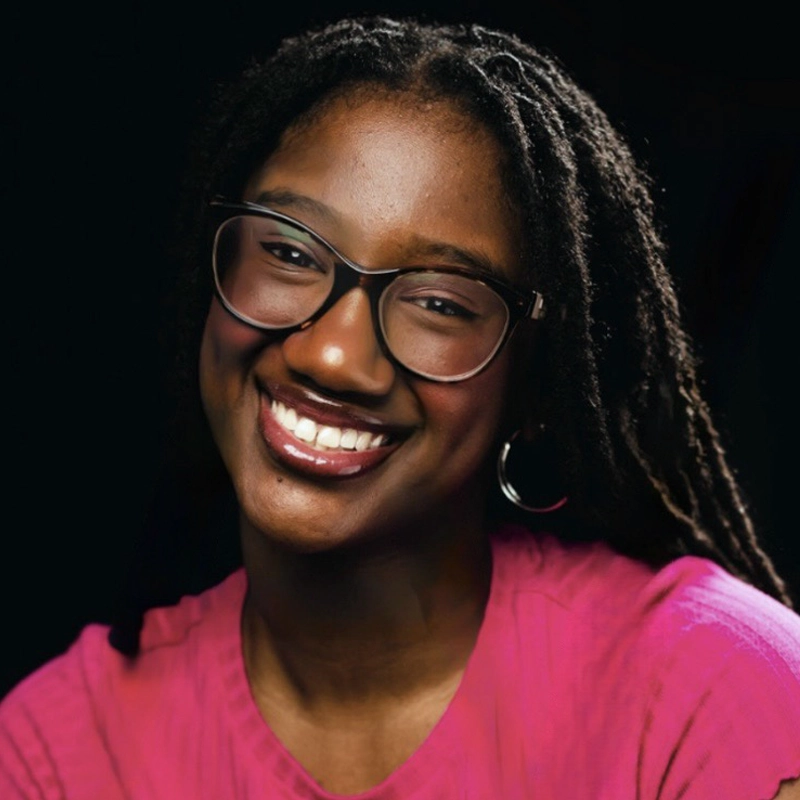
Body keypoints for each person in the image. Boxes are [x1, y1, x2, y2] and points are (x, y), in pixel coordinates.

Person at [1, 15, 799, 799]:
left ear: (535, 388)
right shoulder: (57, 751)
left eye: (440, 304)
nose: (333, 355)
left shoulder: (708, 691)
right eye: (288, 252)